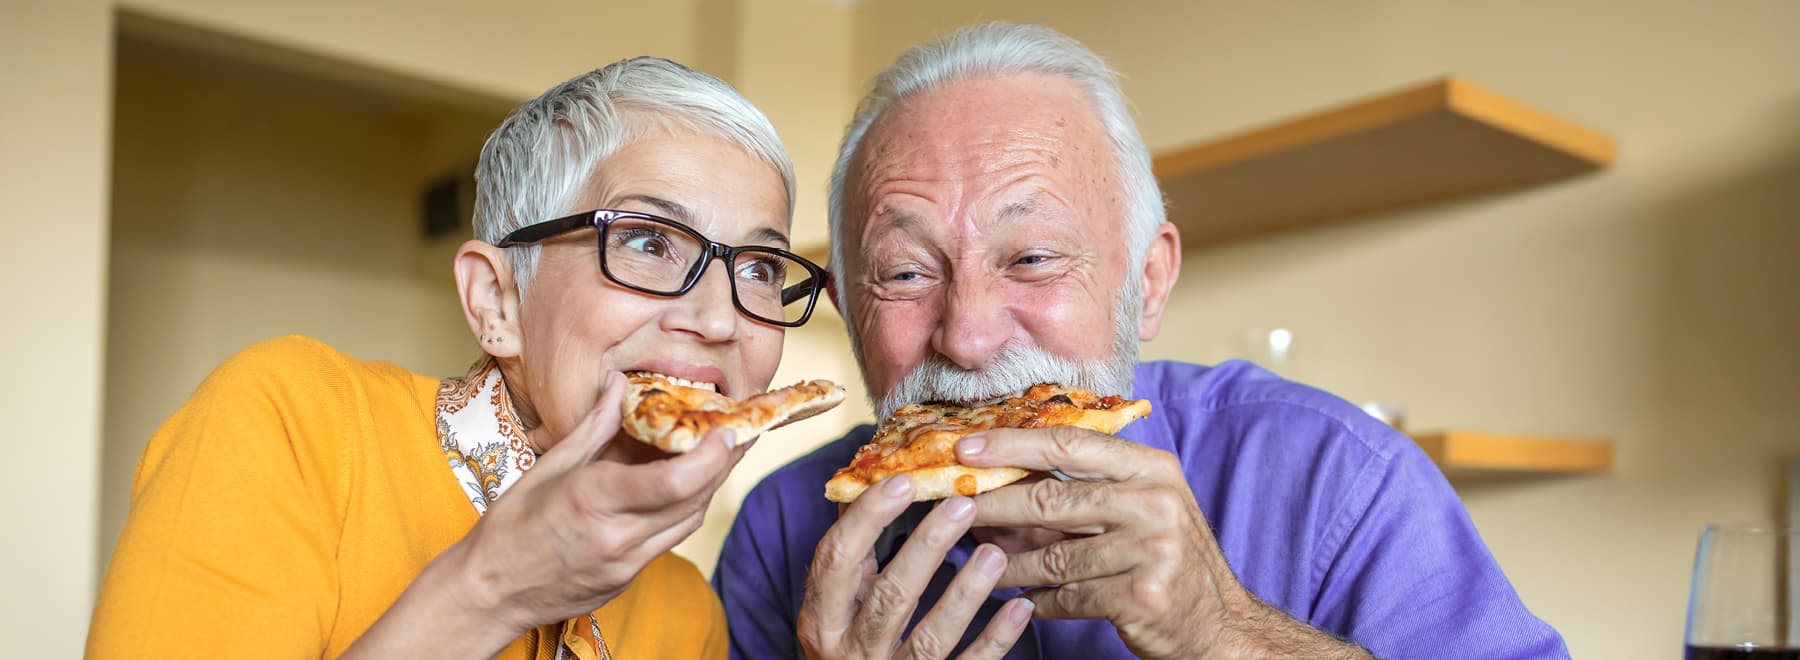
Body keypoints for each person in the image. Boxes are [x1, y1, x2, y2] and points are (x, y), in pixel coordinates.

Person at [714, 23, 1569, 659]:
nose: (968, 336)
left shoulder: (1340, 479)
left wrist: (1225, 632)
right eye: (904, 273)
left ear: (1148, 282)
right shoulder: (780, 531)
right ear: (849, 311)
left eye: (1034, 257)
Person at [86, 56, 830, 659]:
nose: (719, 317)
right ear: (496, 302)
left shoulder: (685, 610)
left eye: (761, 268)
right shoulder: (294, 423)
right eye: (647, 240)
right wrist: (493, 587)